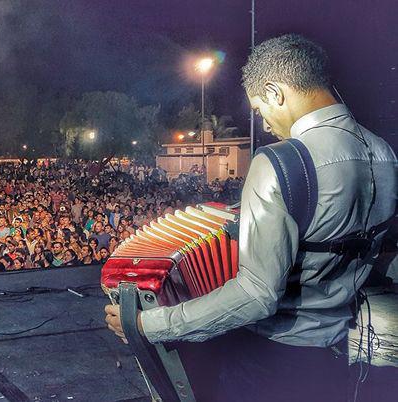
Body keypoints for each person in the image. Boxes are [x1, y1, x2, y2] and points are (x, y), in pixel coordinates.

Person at [105, 34, 397, 401]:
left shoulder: (281, 163)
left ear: (275, 92)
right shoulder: (385, 154)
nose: (265, 124)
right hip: (335, 354)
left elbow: (258, 294)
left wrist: (150, 324)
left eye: (259, 109)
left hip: (272, 359)